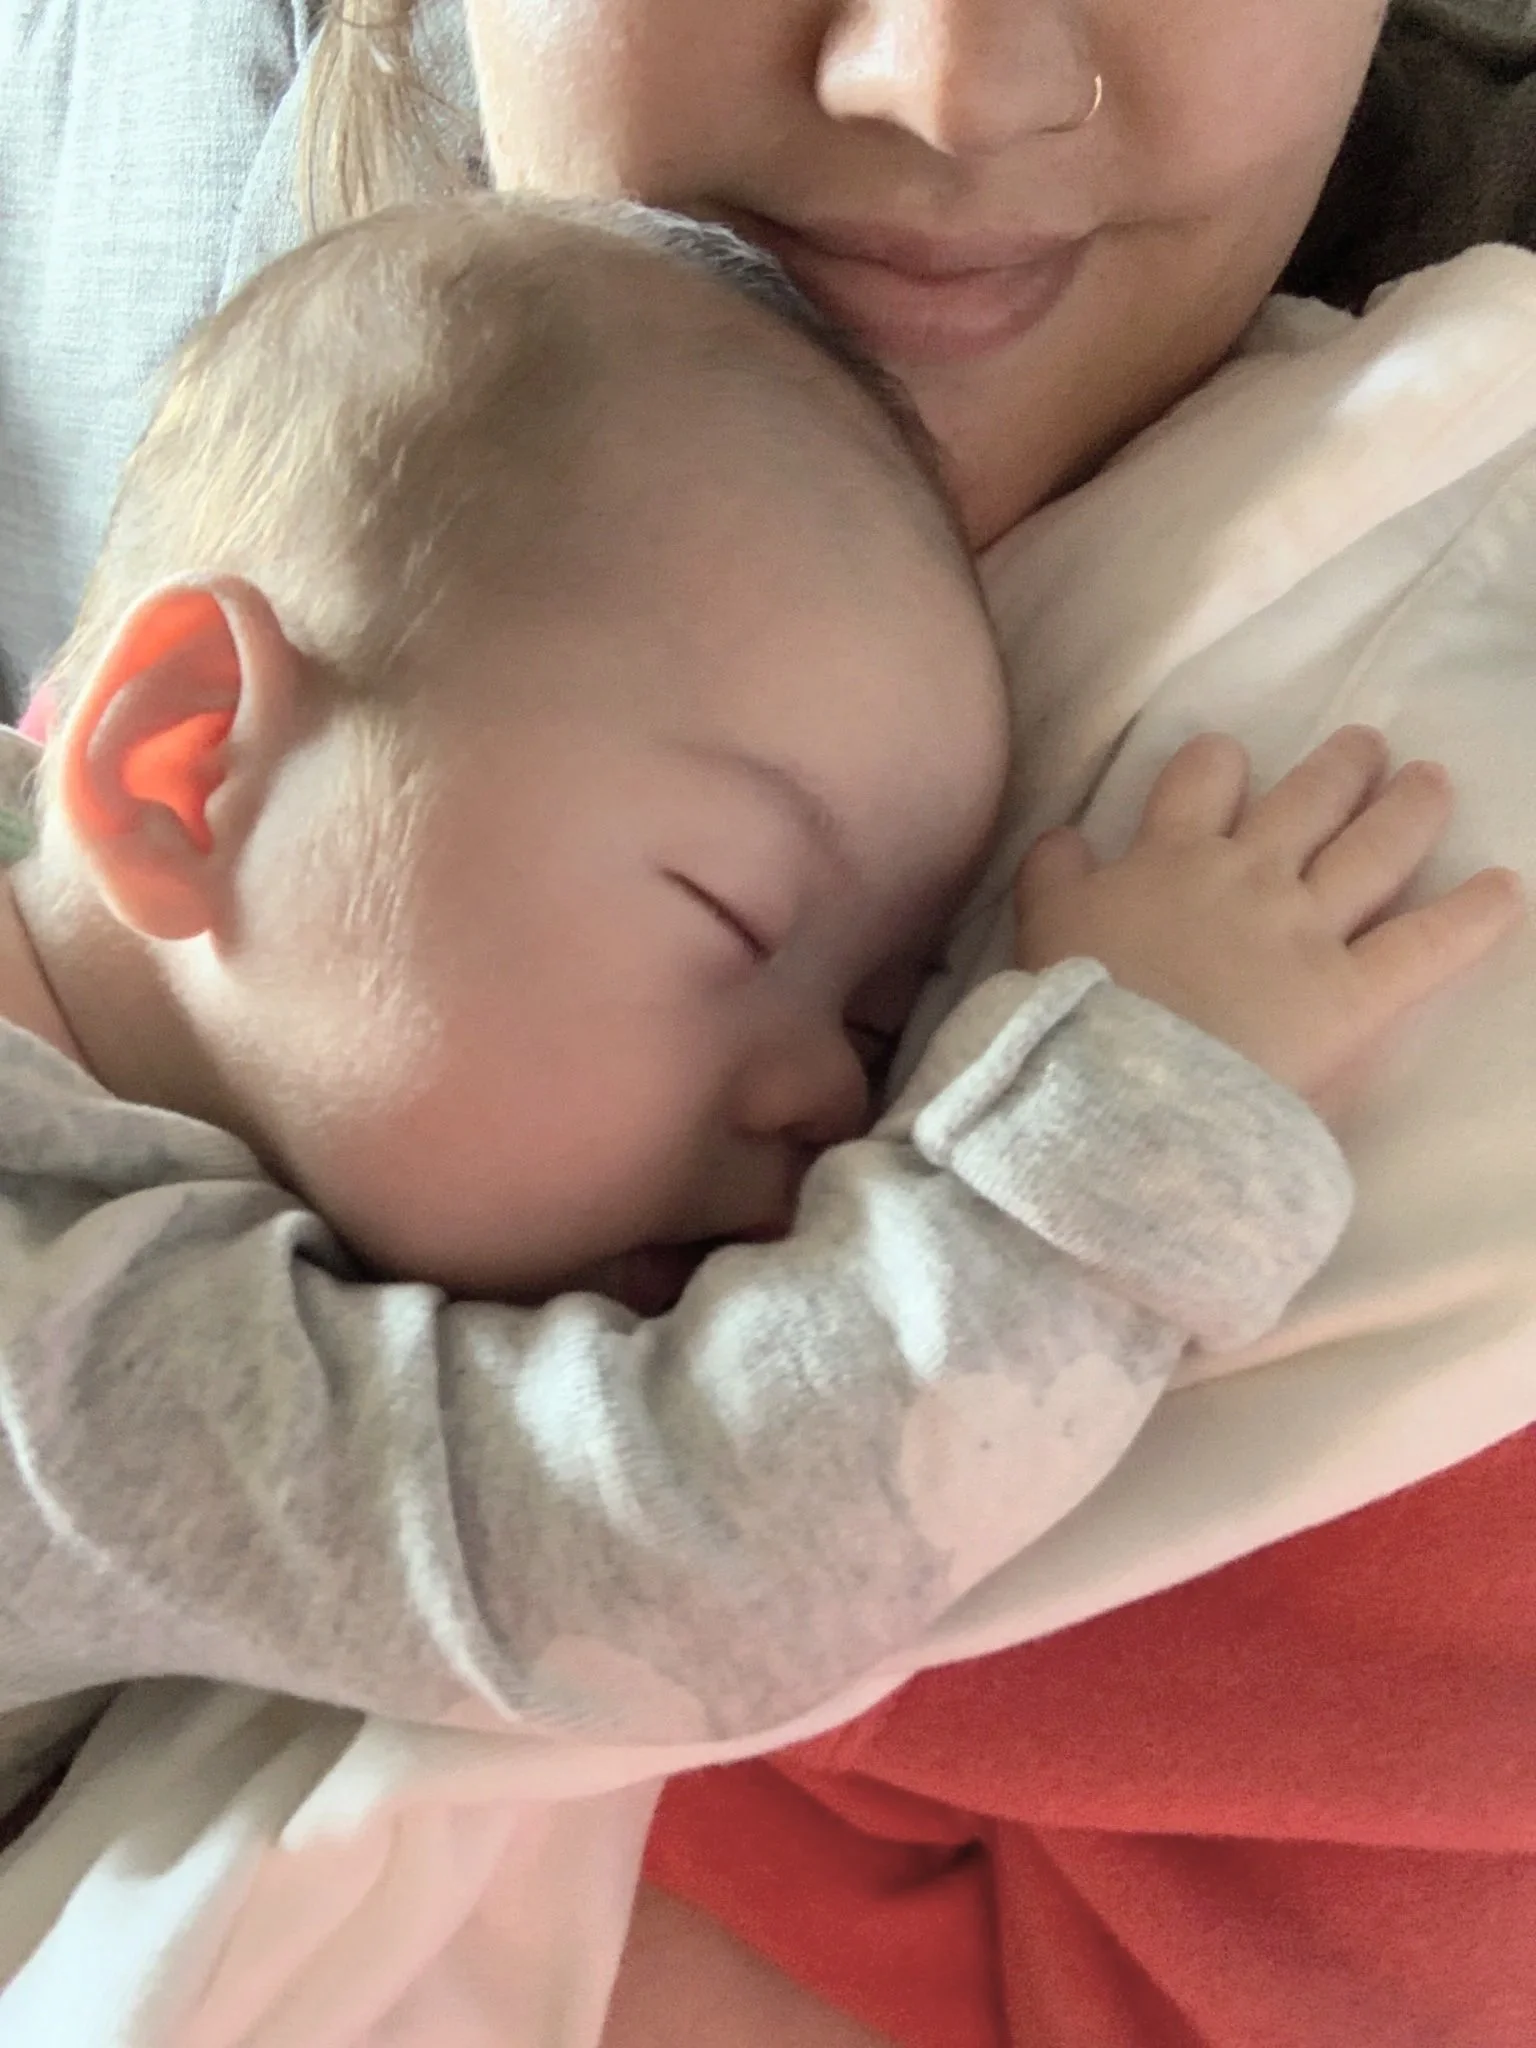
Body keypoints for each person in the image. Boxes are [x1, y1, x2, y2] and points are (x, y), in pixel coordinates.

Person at [2, 2, 1534, 2042]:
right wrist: (1121, 1128)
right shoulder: (61, 1352)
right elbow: (657, 1570)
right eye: (728, 911)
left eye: (890, 1006)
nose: (832, 1098)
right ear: (180, 761)